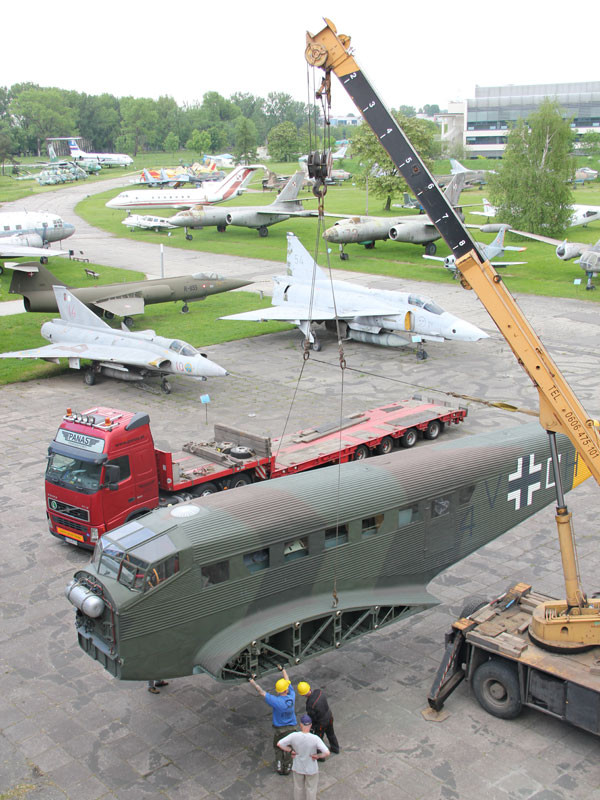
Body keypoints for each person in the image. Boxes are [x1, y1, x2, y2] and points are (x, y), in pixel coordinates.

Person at [248, 666, 296, 774]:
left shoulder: (276, 701)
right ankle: (288, 766)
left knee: (278, 746)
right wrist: (283, 669)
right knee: (289, 747)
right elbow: (288, 681)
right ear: (286, 689)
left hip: (279, 729)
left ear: (278, 691)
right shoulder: (292, 697)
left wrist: (252, 681)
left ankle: (279, 764)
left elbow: (261, 692)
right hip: (291, 728)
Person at [277, 713, 329, 800]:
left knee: (298, 788)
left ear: (301, 725)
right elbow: (327, 752)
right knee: (311, 789)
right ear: (311, 725)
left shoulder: (294, 736)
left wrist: (290, 750)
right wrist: (318, 756)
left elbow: (279, 744)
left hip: (298, 766)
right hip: (311, 768)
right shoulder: (315, 738)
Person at [297, 681, 340, 754]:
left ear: (303, 694)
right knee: (331, 733)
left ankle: (320, 756)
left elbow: (312, 718)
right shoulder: (319, 692)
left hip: (321, 723)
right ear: (309, 688)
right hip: (329, 716)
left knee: (318, 739)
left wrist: (312, 727)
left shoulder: (310, 704)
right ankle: (335, 748)